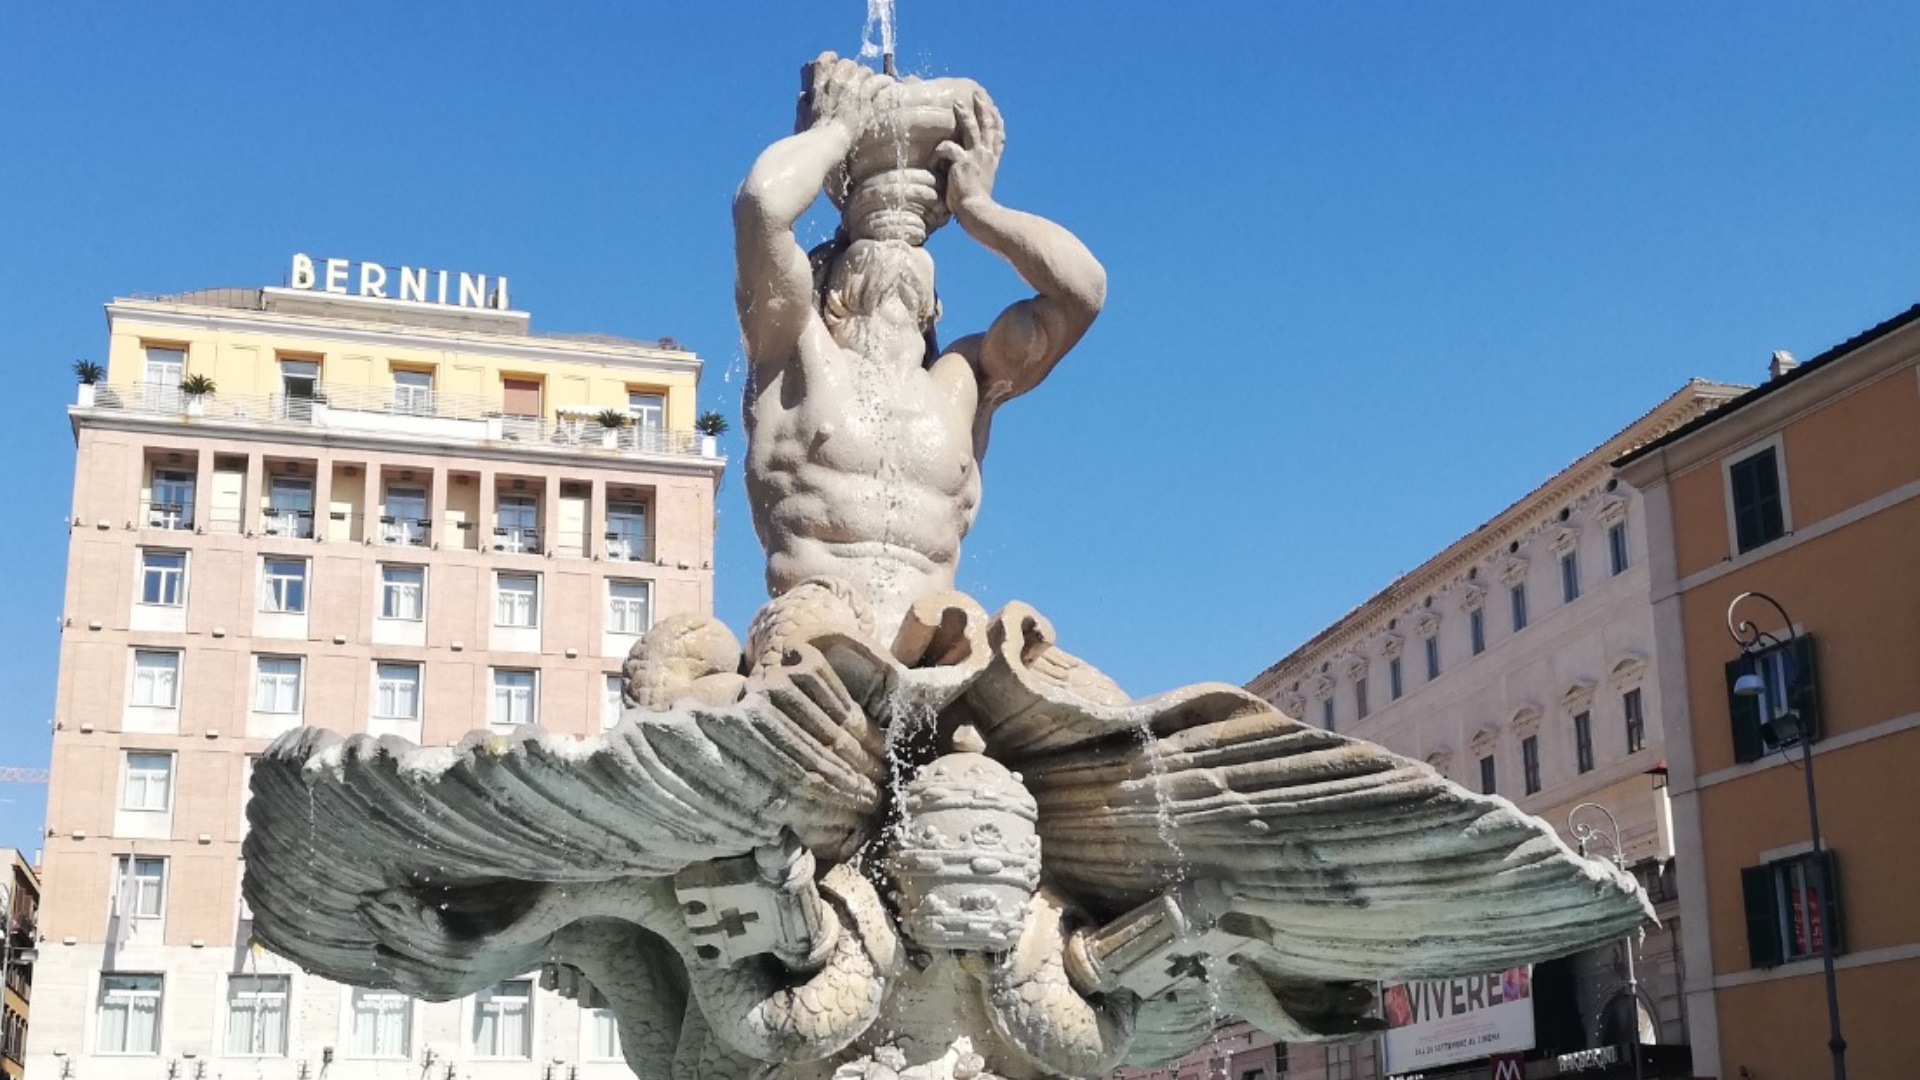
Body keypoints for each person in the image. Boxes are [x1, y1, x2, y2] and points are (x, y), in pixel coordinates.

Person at [734, 53, 1106, 640]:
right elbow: (762, 207)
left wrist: (981, 211)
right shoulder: (792, 349)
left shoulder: (960, 382)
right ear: (827, 278)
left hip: (936, 661)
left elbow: (1081, 293)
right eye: (868, 256)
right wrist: (838, 131)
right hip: (813, 644)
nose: (901, 261)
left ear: (935, 304)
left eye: (917, 259)